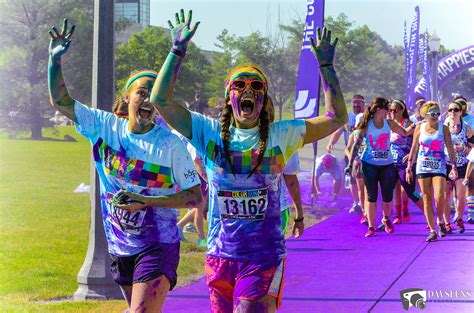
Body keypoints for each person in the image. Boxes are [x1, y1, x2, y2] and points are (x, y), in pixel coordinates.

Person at [149, 10, 347, 312]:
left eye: (256, 87)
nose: (248, 91)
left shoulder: (283, 134)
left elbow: (336, 118)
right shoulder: (208, 131)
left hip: (263, 255)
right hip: (219, 255)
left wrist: (326, 66)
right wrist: (176, 51)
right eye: (240, 85)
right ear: (230, 96)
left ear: (263, 98)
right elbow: (160, 101)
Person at [47, 19, 203, 312]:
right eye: (142, 92)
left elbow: (195, 197)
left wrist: (144, 201)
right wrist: (54, 60)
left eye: (153, 95)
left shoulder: (171, 145)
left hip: (158, 245)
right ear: (127, 98)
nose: (147, 99)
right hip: (120, 248)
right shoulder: (104, 127)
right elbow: (61, 101)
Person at [346, 97, 415, 237]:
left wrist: (416, 126)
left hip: (387, 165)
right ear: (379, 110)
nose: (389, 112)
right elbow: (356, 146)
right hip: (369, 164)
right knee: (371, 196)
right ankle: (371, 226)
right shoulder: (366, 125)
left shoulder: (388, 123)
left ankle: (386, 219)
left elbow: (405, 132)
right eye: (387, 109)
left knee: (387, 196)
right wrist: (349, 164)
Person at [406, 101, 457, 242]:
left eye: (437, 113)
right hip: (422, 166)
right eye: (432, 114)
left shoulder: (444, 128)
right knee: (427, 198)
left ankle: (441, 220)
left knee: (439, 197)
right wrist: (409, 167)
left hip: (439, 166)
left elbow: (450, 148)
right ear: (425, 114)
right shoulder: (419, 128)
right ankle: (433, 230)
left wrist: (453, 166)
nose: (435, 116)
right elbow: (414, 148)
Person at [267, 98, 304, 237]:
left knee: (270, 255)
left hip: (276, 212)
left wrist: (299, 215)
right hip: (243, 215)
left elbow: (291, 180)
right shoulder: (234, 139)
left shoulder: (285, 140)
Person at [327, 94, 365, 213]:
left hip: (365, 153)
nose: (356, 105)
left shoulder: (367, 116)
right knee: (352, 179)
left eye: (359, 102)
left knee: (364, 179)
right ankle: (356, 203)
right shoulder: (347, 118)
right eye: (354, 102)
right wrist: (331, 143)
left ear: (363, 104)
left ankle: (366, 203)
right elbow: (338, 132)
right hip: (350, 153)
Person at [388, 99, 423, 224]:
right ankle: (397, 215)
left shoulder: (409, 124)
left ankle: (429, 214)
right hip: (391, 161)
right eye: (390, 110)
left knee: (410, 191)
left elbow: (419, 142)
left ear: (402, 110)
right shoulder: (389, 124)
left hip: (406, 162)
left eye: (394, 110)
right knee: (395, 189)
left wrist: (411, 155)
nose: (391, 112)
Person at [444, 101, 473, 233]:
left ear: (461, 112)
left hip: (461, 165)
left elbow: (473, 147)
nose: (453, 112)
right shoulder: (443, 126)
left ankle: (460, 219)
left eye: (456, 110)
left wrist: (465, 148)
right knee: (445, 196)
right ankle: (446, 223)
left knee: (461, 196)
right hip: (445, 164)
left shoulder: (466, 128)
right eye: (450, 110)